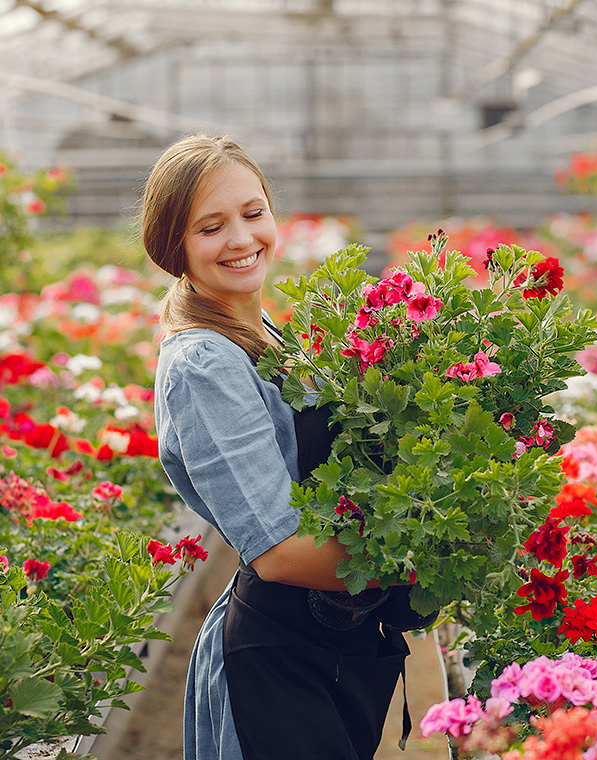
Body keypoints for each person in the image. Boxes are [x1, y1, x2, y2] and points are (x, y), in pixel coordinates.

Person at [142, 133, 410, 760]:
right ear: (173, 248)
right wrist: (435, 559)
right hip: (278, 663)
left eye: (252, 213)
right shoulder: (205, 362)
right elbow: (281, 552)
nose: (241, 239)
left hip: (334, 639)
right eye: (210, 227)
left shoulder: (262, 332)